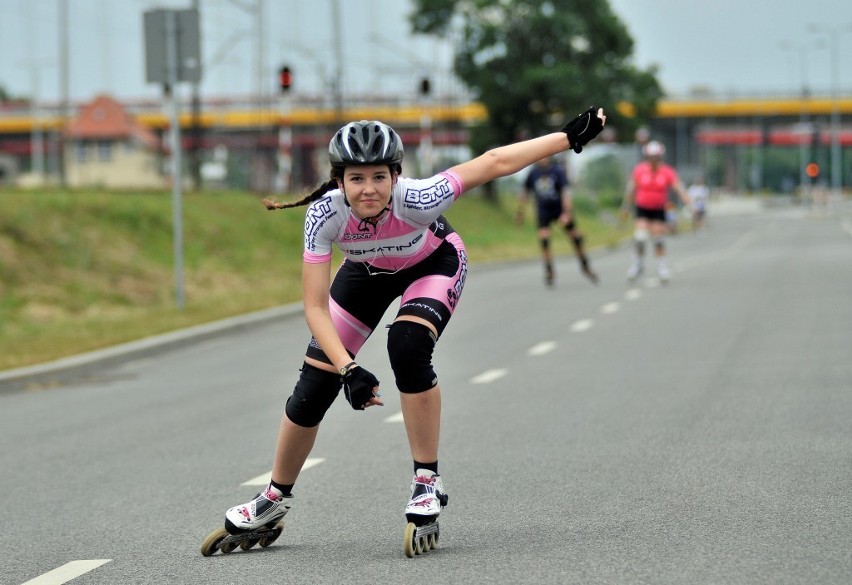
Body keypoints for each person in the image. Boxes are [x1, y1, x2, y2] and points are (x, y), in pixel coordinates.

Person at [219, 108, 607, 539]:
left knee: (406, 345)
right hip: (364, 273)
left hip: (432, 262)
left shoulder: (419, 197)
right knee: (314, 385)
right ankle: (274, 497)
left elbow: (493, 162)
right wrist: (347, 369)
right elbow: (314, 307)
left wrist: (567, 138)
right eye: (357, 178)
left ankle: (427, 481)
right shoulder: (323, 215)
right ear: (339, 180)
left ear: (396, 176)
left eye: (379, 177)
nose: (369, 190)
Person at [516, 156, 598, 286]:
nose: (542, 159)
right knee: (544, 239)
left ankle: (585, 265)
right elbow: (525, 192)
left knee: (575, 238)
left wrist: (567, 212)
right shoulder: (533, 173)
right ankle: (549, 270)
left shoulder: (557, 171)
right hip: (543, 211)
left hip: (559, 209)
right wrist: (520, 212)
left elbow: (565, 192)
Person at [621, 140, 691, 283]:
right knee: (640, 237)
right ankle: (637, 263)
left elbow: (679, 188)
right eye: (650, 156)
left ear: (660, 157)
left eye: (656, 156)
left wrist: (689, 202)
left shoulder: (667, 171)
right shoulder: (640, 170)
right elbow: (631, 189)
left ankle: (662, 266)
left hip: (659, 208)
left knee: (658, 239)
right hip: (642, 207)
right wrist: (626, 207)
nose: (653, 159)